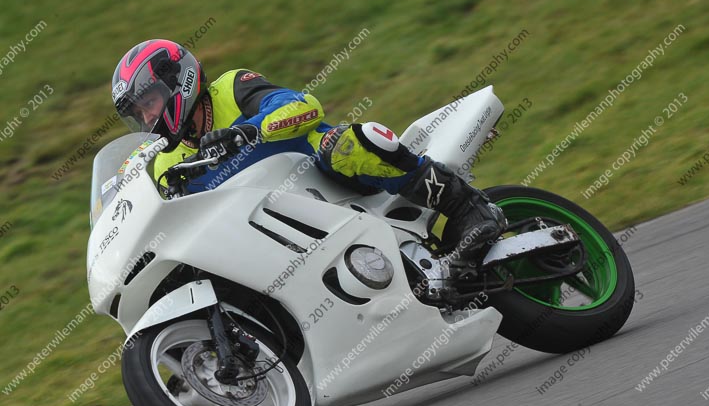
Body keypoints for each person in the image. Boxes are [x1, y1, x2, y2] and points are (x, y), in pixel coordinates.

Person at [111, 39, 505, 254]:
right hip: (273, 229)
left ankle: (464, 206)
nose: (147, 119)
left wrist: (249, 131)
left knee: (346, 144)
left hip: (331, 181)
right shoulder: (165, 163)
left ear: (177, 83)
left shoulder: (231, 88)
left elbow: (304, 106)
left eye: (149, 103)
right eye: (138, 113)